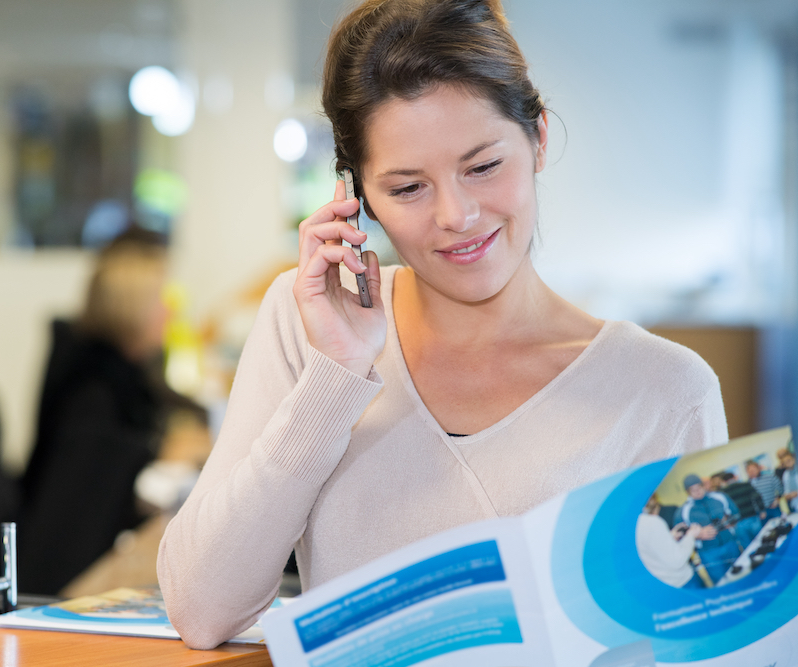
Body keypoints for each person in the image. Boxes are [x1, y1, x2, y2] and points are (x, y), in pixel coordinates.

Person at [157, 0, 728, 649]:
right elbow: (201, 610)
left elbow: (699, 648)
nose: (456, 214)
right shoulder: (307, 321)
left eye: (483, 166)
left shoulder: (664, 391)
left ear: (538, 137)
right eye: (407, 188)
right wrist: (336, 373)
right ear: (357, 197)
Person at [20, 227, 204, 594]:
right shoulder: (91, 391)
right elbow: (108, 474)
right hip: (69, 576)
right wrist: (162, 451)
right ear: (132, 309)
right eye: (159, 299)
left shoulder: (125, 371)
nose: (169, 310)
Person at [679, 474, 742, 585]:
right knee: (722, 583)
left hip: (730, 544)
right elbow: (680, 534)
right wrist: (698, 534)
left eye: (699, 487)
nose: (697, 492)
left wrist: (729, 521)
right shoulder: (683, 511)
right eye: (693, 490)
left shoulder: (719, 497)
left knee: (742, 575)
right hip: (709, 553)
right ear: (688, 492)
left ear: (703, 486)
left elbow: (736, 513)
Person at [636, 495, 704, 588]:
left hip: (662, 585)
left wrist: (669, 537)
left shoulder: (630, 527)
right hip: (681, 582)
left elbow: (649, 548)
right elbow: (677, 560)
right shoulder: (652, 522)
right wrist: (690, 536)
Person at [716, 471, 763, 543]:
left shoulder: (723, 492)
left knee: (747, 546)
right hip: (752, 516)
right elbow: (757, 497)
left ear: (724, 481)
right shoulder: (745, 485)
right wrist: (762, 510)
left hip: (738, 523)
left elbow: (723, 509)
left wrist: (729, 522)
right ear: (734, 477)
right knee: (762, 540)